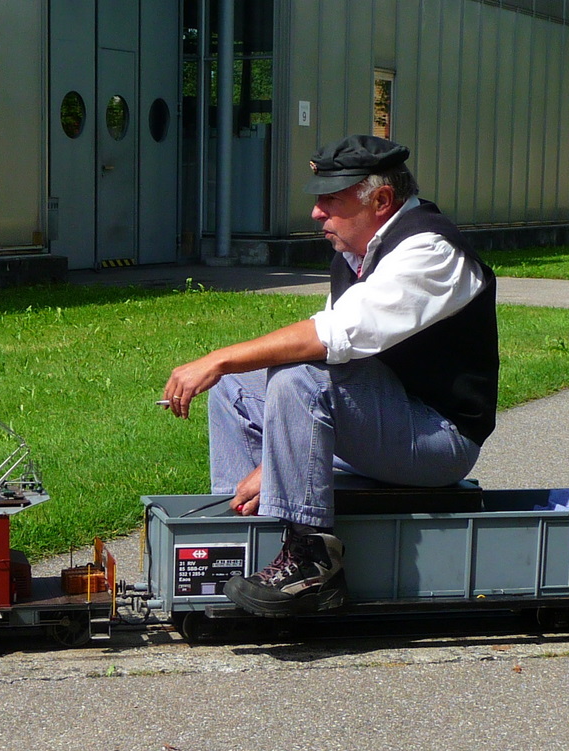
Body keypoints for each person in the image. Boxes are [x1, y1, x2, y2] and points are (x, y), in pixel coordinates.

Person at [161, 134, 498, 617]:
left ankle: (311, 565)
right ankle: (245, 544)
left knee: (299, 379)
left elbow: (333, 337)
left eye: (331, 200)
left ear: (382, 200)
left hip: (437, 440)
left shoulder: (429, 250)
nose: (317, 213)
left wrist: (218, 357)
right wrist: (276, 456)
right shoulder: (356, 250)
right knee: (236, 387)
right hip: (383, 421)